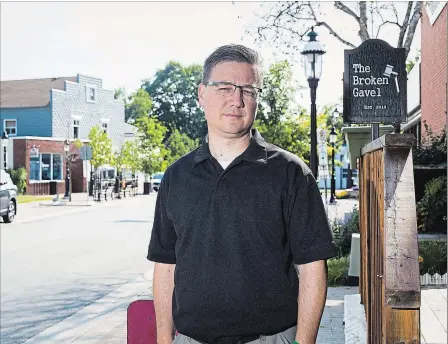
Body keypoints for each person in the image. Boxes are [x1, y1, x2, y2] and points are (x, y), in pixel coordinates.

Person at [147, 44, 337, 344]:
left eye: (248, 90)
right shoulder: (176, 177)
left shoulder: (291, 174)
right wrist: (163, 339)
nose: (236, 100)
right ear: (201, 94)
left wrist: (303, 342)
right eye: (224, 87)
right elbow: (166, 264)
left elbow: (313, 266)